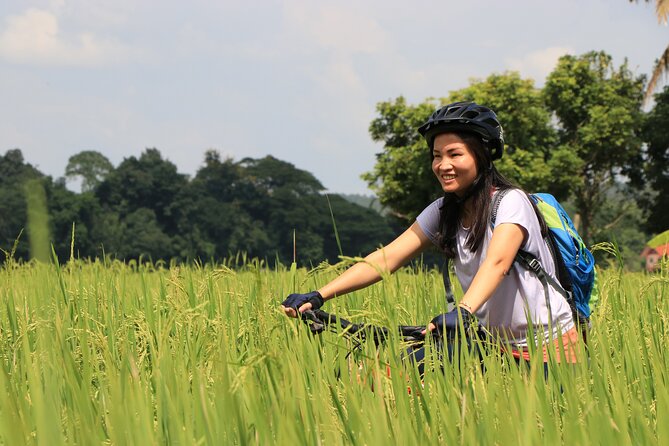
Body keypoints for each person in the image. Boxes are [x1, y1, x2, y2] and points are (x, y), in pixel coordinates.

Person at [281, 101, 582, 365]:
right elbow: (386, 259)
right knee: (389, 375)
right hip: (493, 344)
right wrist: (320, 295)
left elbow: (498, 263)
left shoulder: (510, 201)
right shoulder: (443, 211)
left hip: (549, 349)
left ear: (482, 156)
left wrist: (462, 312)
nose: (443, 165)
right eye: (437, 156)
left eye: (455, 154)